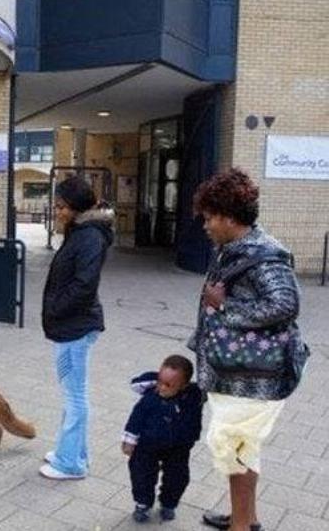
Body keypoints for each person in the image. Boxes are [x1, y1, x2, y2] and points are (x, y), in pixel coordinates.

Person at [188, 169, 309, 531]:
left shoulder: (264, 256)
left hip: (253, 378)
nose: (205, 225)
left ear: (229, 216)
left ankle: (241, 525)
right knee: (243, 448)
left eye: (210, 218)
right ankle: (245, 516)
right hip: (236, 372)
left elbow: (285, 305)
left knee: (232, 446)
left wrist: (225, 307)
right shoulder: (230, 249)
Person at [40, 176, 114, 480]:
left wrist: (55, 309)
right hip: (71, 325)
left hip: (75, 326)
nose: (57, 212)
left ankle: (70, 464)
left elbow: (84, 285)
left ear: (77, 208)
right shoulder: (81, 231)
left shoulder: (89, 238)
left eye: (62, 207)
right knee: (73, 394)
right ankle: (72, 453)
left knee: (75, 397)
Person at [121, 355, 204, 523]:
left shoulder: (193, 396)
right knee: (141, 474)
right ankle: (143, 503)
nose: (162, 388)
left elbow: (210, 388)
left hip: (178, 446)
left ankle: (169, 503)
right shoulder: (150, 398)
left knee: (178, 477)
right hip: (147, 444)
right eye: (159, 381)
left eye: (168, 385)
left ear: (184, 385)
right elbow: (136, 419)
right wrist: (129, 440)